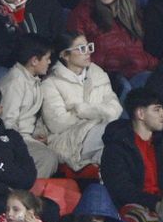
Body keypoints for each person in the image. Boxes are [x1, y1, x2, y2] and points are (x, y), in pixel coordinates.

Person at [39, 32, 122, 172]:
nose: (88, 52)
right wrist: (97, 114)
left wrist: (83, 110)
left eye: (89, 47)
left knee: (120, 141)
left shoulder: (97, 73)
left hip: (101, 128)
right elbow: (57, 123)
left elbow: (115, 108)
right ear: (65, 55)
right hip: (68, 139)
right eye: (81, 49)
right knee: (115, 135)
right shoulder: (51, 83)